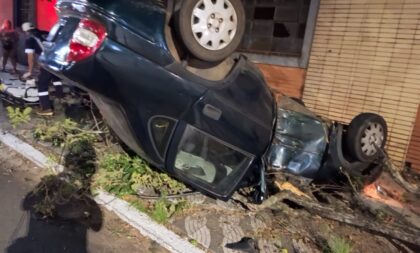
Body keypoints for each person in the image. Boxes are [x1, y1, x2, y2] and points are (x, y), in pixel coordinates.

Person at [22, 22, 63, 116]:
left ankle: (46, 108)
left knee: (42, 83)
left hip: (47, 62)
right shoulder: (45, 32)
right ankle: (60, 96)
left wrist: (30, 71)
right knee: (56, 76)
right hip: (57, 59)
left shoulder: (30, 39)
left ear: (25, 32)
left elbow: (30, 57)